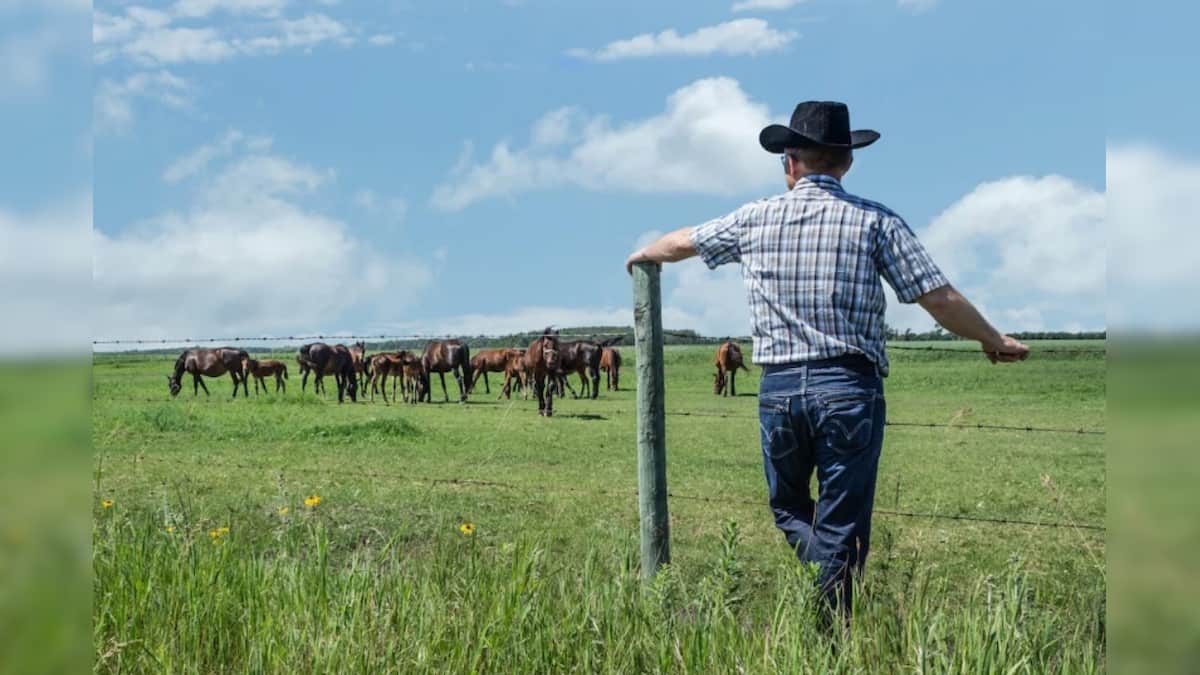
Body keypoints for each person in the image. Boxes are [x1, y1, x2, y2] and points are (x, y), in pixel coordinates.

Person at [624, 101, 1030, 620]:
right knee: (843, 522)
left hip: (778, 389)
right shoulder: (875, 220)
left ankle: (827, 616)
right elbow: (938, 298)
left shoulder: (754, 218)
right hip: (847, 386)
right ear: (847, 161)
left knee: (788, 508)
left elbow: (682, 242)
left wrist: (642, 257)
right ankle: (830, 627)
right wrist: (994, 339)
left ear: (789, 163)